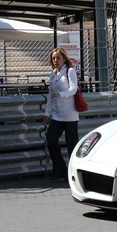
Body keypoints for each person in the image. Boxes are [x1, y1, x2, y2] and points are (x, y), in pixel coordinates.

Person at [43, 47, 80, 182]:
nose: (55, 60)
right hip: (57, 115)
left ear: (64, 59)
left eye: (58, 58)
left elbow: (73, 89)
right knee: (51, 139)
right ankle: (59, 169)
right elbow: (50, 96)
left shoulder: (69, 71)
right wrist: (47, 113)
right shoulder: (52, 74)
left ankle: (72, 173)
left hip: (70, 115)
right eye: (53, 58)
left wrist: (62, 94)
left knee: (72, 145)